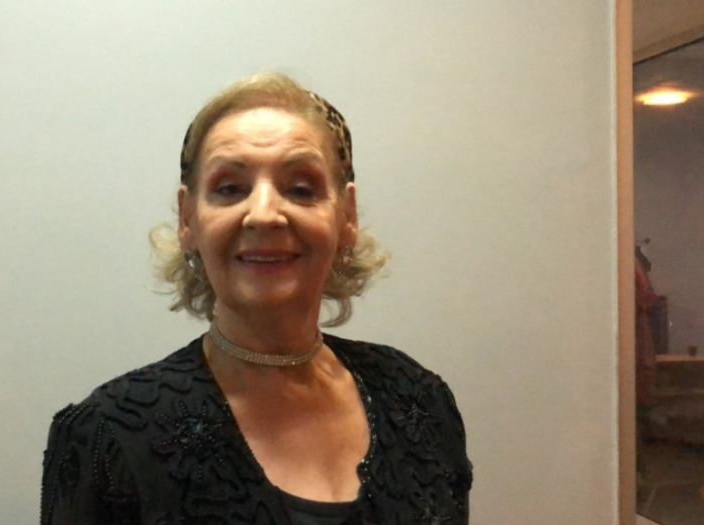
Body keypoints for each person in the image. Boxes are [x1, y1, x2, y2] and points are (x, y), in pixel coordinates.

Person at [41, 72, 472, 525]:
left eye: (300, 188)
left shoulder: (418, 401)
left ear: (346, 215)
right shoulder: (107, 436)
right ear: (188, 219)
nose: (264, 215)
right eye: (230, 188)